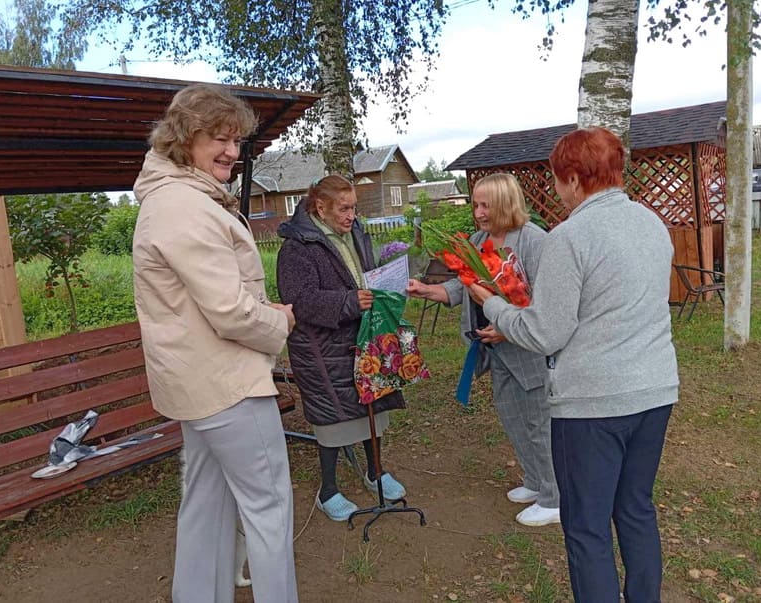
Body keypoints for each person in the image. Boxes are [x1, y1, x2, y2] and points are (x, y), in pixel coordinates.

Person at [467, 127, 679, 602]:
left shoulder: (570, 237)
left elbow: (544, 333)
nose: (558, 192)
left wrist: (492, 305)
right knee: (636, 509)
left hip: (593, 405)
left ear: (576, 180)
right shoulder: (651, 223)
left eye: (559, 181)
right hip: (655, 391)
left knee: (586, 527)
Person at [132, 83, 298, 603]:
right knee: (268, 507)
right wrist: (280, 323)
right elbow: (228, 310)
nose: (232, 151)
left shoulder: (176, 198)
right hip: (228, 385)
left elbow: (204, 300)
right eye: (219, 139)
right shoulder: (185, 205)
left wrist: (258, 311)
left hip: (200, 385)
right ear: (185, 139)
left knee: (206, 501)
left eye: (236, 140)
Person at [406, 173, 560, 527]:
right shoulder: (477, 241)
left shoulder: (534, 241)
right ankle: (535, 481)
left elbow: (546, 299)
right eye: (475, 204)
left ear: (505, 203)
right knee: (512, 417)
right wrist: (425, 291)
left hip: (526, 347)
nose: (477, 212)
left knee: (539, 422)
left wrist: (508, 328)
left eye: (484, 205)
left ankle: (554, 498)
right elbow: (461, 288)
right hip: (493, 349)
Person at [276, 174, 407, 522]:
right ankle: (328, 490)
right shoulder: (297, 247)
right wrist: (349, 302)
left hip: (363, 336)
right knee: (332, 417)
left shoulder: (355, 234)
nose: (351, 216)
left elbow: (365, 274)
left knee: (373, 405)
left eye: (354, 208)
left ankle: (375, 472)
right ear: (320, 207)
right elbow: (298, 301)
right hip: (322, 347)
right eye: (344, 208)